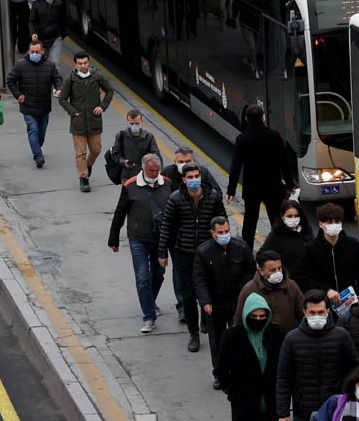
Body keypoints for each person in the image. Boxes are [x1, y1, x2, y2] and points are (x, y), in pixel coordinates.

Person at [157, 163, 227, 352]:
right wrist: (162, 253)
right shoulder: (175, 199)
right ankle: (193, 334)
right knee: (188, 296)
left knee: (210, 291)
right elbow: (167, 227)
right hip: (184, 254)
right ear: (184, 180)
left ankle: (207, 321)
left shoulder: (212, 197)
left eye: (197, 176)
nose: (194, 179)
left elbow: (222, 221)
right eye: (190, 177)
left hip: (208, 253)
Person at [108, 153, 172, 332]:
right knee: (142, 278)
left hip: (160, 239)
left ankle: (149, 301)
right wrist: (113, 238)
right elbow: (120, 213)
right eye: (151, 170)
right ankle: (149, 316)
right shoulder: (130, 186)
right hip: (138, 239)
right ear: (143, 168)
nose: (154, 173)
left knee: (158, 274)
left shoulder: (167, 183)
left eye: (157, 170)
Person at [275, 291, 359, 421]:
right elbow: (284, 379)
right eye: (312, 313)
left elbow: (354, 370)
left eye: (320, 312)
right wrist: (283, 413)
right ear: (304, 312)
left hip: (337, 408)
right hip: (303, 411)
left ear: (328, 312)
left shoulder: (342, 336)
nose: (316, 316)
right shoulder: (292, 339)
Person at [195, 216, 256, 385]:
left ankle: (239, 370)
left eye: (227, 231)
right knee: (218, 341)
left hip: (237, 301)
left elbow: (251, 271)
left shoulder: (241, 247)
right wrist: (205, 302)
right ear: (212, 233)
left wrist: (244, 293)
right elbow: (200, 280)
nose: (224, 235)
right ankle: (219, 374)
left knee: (240, 338)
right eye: (220, 232)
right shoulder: (203, 252)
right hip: (215, 304)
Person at [227, 104, 298, 247]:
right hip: (273, 186)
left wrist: (231, 189)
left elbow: (236, 165)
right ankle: (280, 247)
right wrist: (290, 185)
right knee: (276, 219)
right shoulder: (275, 136)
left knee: (250, 221)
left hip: (252, 187)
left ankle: (247, 250)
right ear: (263, 117)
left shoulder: (242, 139)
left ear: (247, 119)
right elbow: (284, 163)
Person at [218, 293, 288, 421]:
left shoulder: (278, 334)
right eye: (254, 316)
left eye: (262, 316)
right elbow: (221, 369)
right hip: (244, 406)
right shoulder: (232, 336)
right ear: (246, 315)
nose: (258, 319)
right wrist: (233, 393)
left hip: (272, 404)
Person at [57, 52, 114, 192]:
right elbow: (62, 99)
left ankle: (88, 165)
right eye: (80, 63)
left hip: (94, 121)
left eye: (85, 63)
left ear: (88, 63)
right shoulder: (70, 79)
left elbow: (110, 90)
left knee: (96, 149)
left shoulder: (97, 76)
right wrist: (73, 112)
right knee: (80, 153)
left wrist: (102, 106)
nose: (83, 65)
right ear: (75, 64)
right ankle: (83, 178)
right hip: (78, 122)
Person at [5, 40, 62, 168]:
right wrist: (18, 95)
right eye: (32, 52)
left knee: (41, 133)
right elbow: (10, 80)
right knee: (33, 130)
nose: (34, 54)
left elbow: (57, 79)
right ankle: (38, 156)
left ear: (42, 52)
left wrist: (59, 88)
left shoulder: (50, 65)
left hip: (44, 106)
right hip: (28, 106)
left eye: (37, 52)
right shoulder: (21, 65)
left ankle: (37, 145)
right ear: (29, 52)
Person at [305, 203, 359, 306]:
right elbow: (307, 277)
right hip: (324, 302)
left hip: (350, 300)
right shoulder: (311, 248)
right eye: (329, 222)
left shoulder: (352, 244)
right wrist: (326, 290)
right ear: (320, 224)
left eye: (337, 221)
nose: (334, 225)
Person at [235, 250, 306, 334]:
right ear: (261, 271)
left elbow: (303, 313)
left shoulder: (291, 286)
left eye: (279, 268)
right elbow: (239, 319)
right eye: (272, 270)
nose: (278, 272)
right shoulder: (249, 290)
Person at [262, 199, 313, 289]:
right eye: (289, 216)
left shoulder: (306, 231)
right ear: (282, 217)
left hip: (308, 282)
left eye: (296, 216)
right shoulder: (276, 235)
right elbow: (262, 255)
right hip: (288, 285)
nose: (293, 219)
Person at [105, 109, 160, 184]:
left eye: (137, 123)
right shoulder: (121, 136)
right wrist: (124, 162)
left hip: (144, 176)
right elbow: (115, 155)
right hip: (127, 176)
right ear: (128, 122)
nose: (134, 126)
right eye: (131, 123)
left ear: (141, 122)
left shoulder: (148, 137)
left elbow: (156, 156)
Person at [29, 0, 65, 64]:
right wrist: (33, 33)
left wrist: (61, 34)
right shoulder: (37, 5)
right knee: (41, 63)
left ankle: (54, 77)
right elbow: (31, 21)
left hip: (55, 38)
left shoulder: (59, 4)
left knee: (55, 62)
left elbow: (63, 20)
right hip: (41, 40)